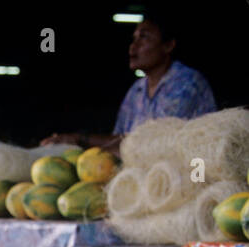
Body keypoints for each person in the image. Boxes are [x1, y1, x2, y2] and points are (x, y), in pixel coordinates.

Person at [41, 9, 214, 153]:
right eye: (134, 38)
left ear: (168, 45)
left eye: (144, 37)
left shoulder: (186, 83)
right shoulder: (136, 90)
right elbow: (119, 141)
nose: (133, 45)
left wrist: (81, 139)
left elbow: (154, 144)